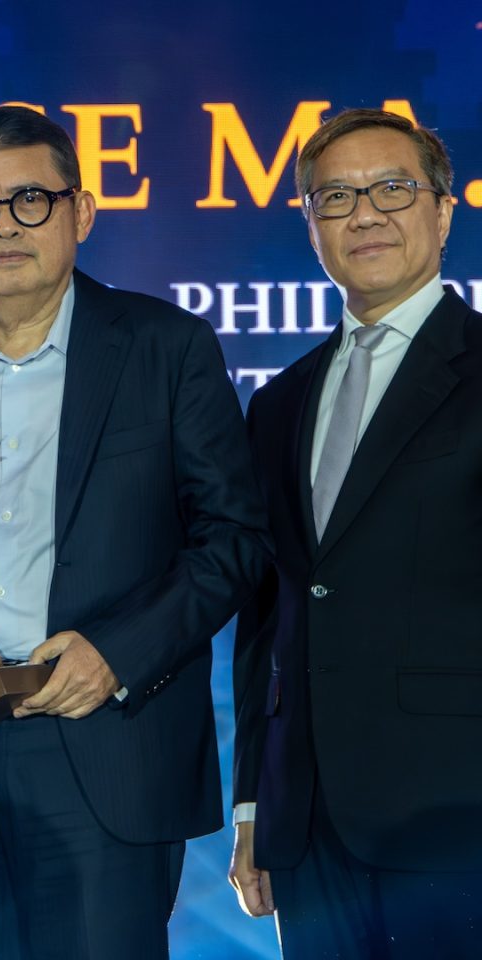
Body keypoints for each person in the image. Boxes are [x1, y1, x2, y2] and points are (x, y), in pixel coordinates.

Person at [0, 104, 270, 960]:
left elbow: (235, 541)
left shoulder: (165, 347)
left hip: (102, 744)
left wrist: (119, 652)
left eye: (30, 199)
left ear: (80, 211)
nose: (5, 225)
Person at [229, 108, 482, 958]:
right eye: (335, 196)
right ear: (310, 225)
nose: (364, 213)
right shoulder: (278, 402)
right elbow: (266, 617)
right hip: (308, 829)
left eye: (392, 189)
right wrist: (255, 802)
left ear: (443, 213)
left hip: (460, 821)